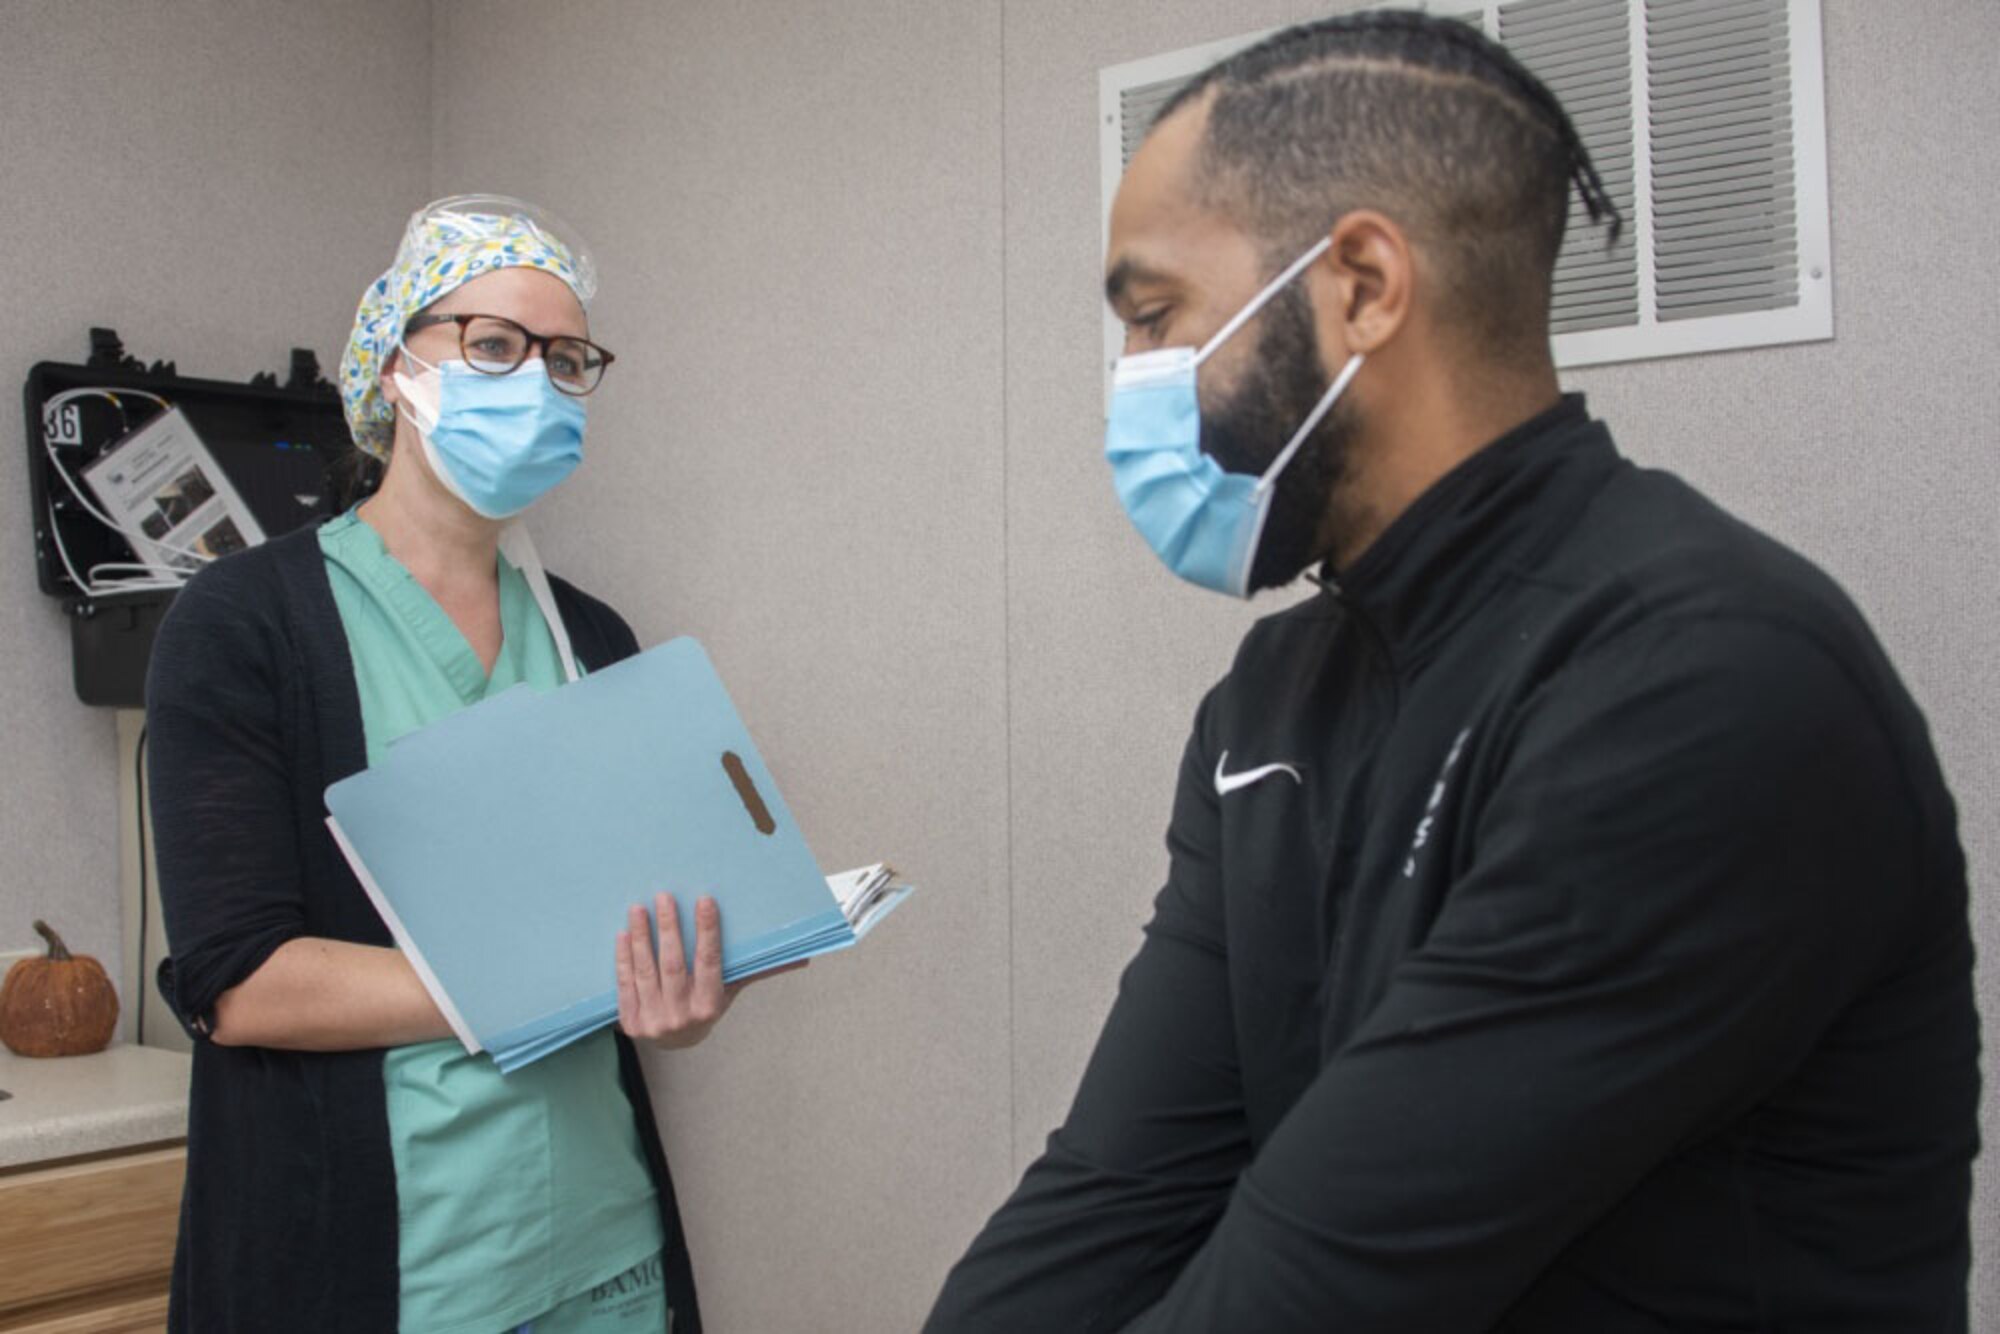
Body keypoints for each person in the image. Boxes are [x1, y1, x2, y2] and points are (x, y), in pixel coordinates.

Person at [926, 12, 1979, 1332]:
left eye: (1155, 316)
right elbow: (1119, 1189)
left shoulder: (1705, 680)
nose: (1134, 384)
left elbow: (1325, 1279)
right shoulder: (1273, 696)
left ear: (1362, 283)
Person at [149, 195, 778, 1333]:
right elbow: (240, 980)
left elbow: (641, 950)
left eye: (568, 358)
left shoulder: (593, 639)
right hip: (386, 1274)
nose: (535, 381)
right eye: (494, 345)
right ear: (396, 366)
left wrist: (673, 1002)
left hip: (605, 1254)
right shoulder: (246, 623)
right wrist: (554, 972)